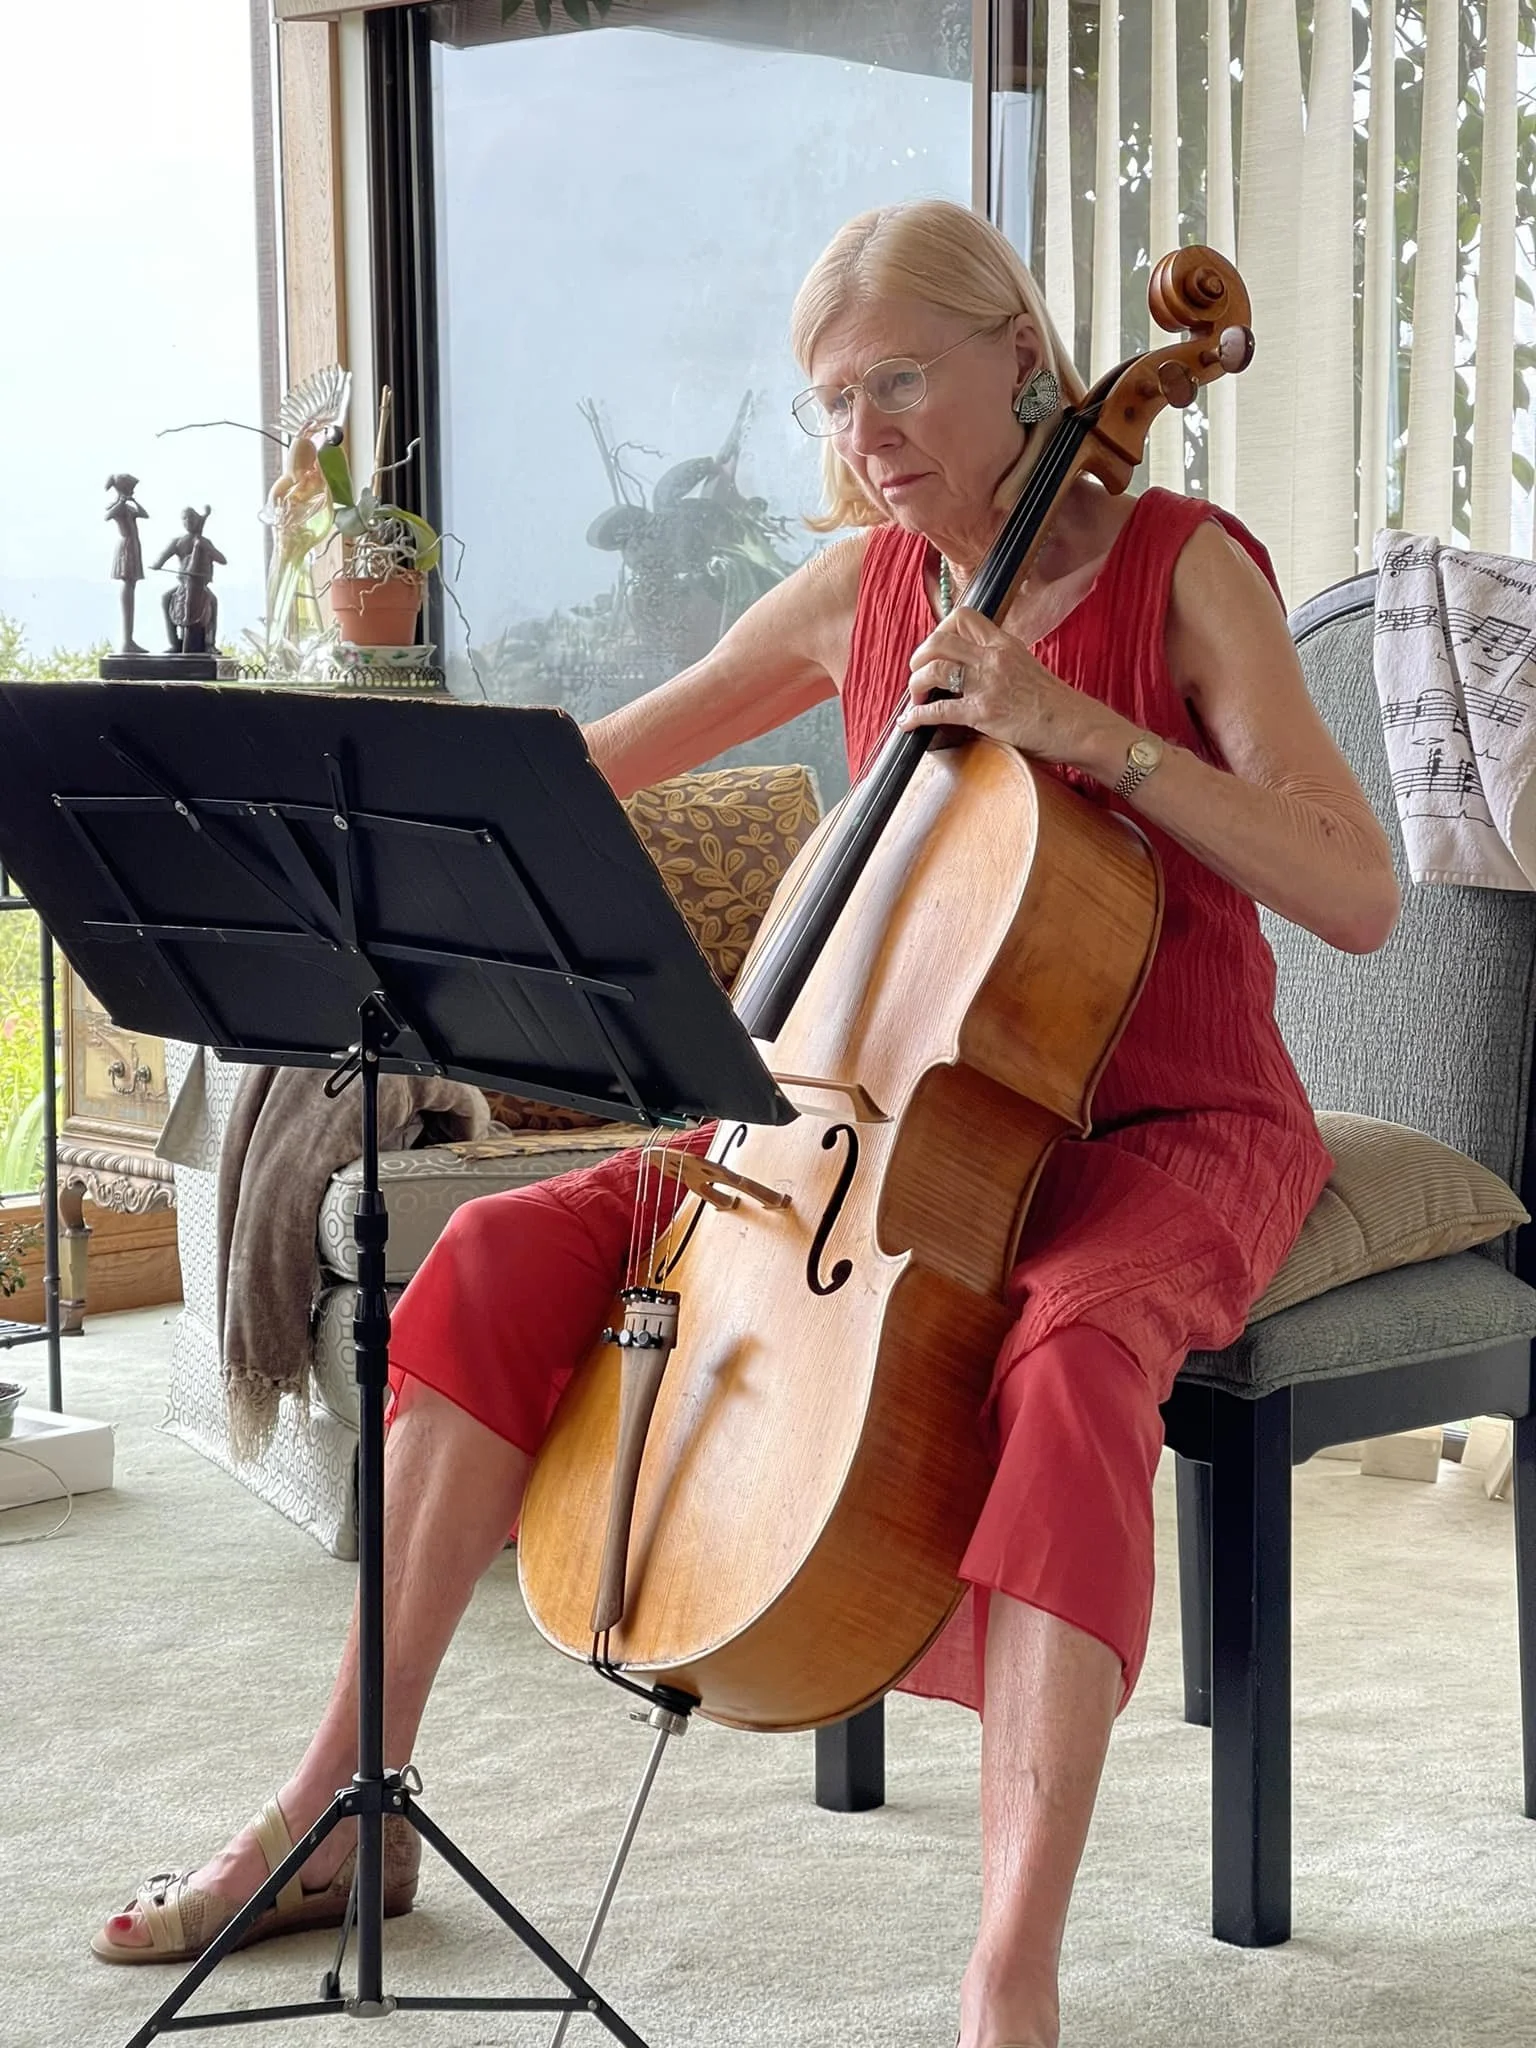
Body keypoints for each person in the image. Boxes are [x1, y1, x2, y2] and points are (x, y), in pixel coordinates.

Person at [94, 199, 1398, 2047]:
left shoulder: (1183, 570)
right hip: (874, 1106)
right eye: (827, 403)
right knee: (497, 1250)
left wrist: (1083, 732)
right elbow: (601, 764)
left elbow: (1358, 891)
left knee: (1075, 1352)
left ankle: (1006, 1972)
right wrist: (356, 845)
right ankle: (342, 1806)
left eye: (894, 383)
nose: (861, 439)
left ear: (1022, 358)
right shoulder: (865, 586)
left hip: (1166, 1124)